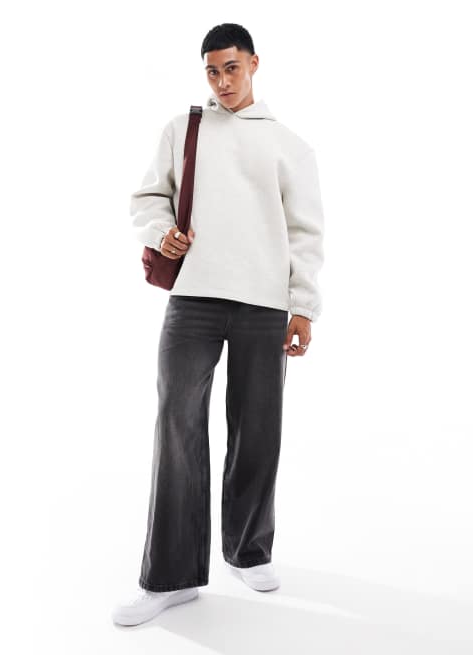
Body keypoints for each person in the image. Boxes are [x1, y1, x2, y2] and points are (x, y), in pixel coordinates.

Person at [112, 22, 325, 626]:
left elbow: (306, 234)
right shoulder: (184, 129)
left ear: (254, 63)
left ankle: (248, 550)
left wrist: (304, 307)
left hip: (264, 302)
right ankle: (170, 576)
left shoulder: (288, 145)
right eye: (212, 70)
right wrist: (163, 233)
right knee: (176, 424)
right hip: (194, 300)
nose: (222, 81)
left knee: (257, 429)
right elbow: (148, 198)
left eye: (232, 67)